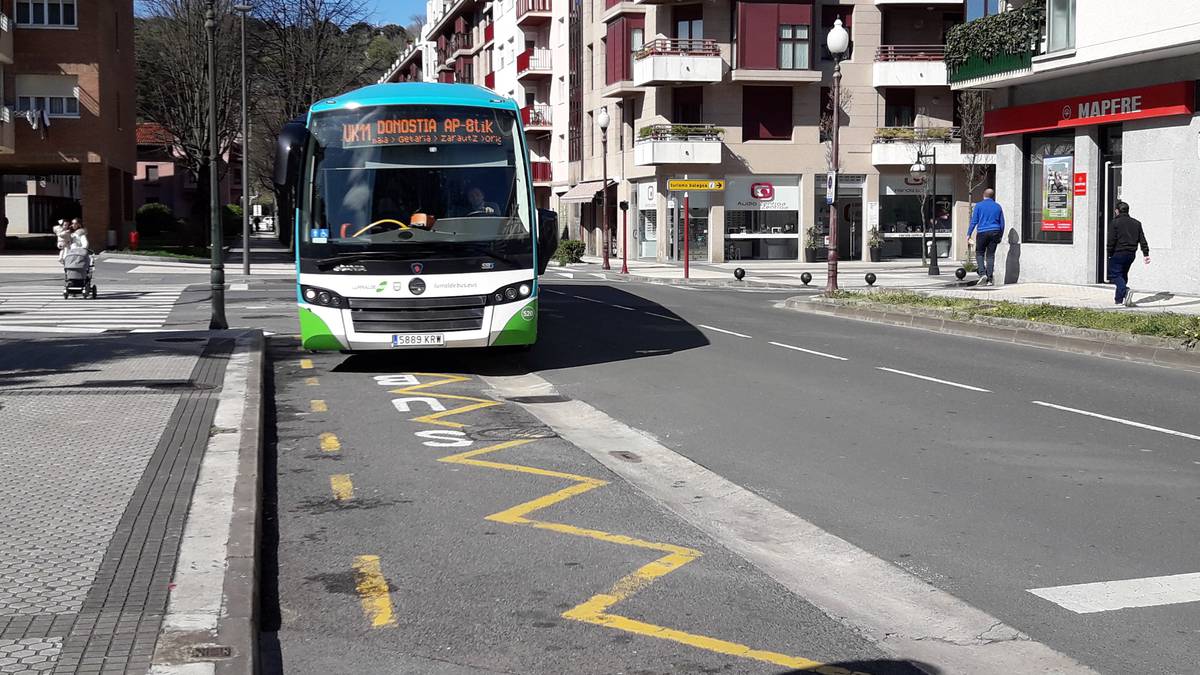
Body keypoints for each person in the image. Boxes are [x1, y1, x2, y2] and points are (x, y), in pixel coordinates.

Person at [1107, 201, 1149, 307]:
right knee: (1122, 275)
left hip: (1118, 252)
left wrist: (1109, 253)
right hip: (1131, 254)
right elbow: (1142, 239)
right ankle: (1118, 300)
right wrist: (1146, 253)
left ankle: (1125, 291)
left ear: (1117, 211)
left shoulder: (1115, 223)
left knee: (1114, 274)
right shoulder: (1136, 223)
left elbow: (1111, 240)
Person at [967, 188, 1005, 286]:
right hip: (995, 231)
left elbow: (974, 221)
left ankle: (982, 274)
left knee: (979, 253)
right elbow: (1002, 223)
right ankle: (990, 279)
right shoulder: (998, 206)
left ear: (983, 195)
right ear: (993, 196)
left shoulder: (979, 206)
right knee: (990, 255)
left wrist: (969, 233)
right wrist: (1000, 235)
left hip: (982, 232)